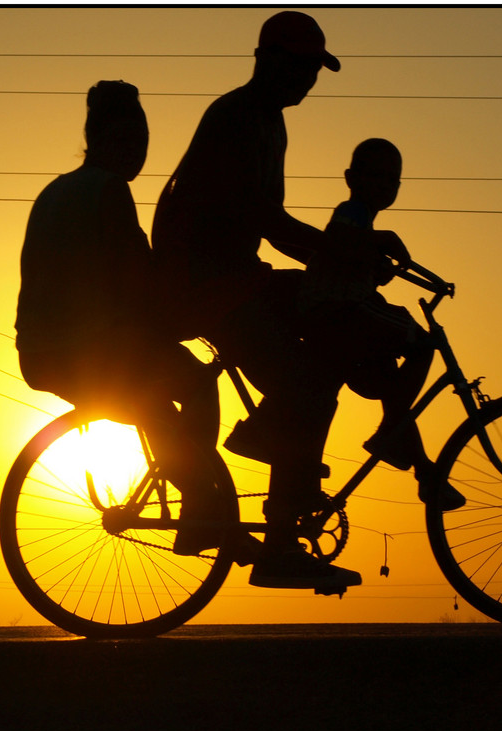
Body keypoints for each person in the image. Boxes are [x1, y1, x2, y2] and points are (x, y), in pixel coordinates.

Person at [151, 12, 364, 591]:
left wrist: (335, 258)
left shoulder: (270, 123)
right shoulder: (238, 117)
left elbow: (270, 224)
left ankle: (276, 443)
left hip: (235, 276)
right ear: (270, 60)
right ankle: (279, 545)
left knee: (331, 337)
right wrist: (337, 253)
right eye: (302, 68)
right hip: (204, 285)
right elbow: (264, 219)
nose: (309, 81)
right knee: (303, 387)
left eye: (315, 71)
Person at [14, 80, 252, 563]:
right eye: (124, 141)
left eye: (140, 143)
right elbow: (136, 279)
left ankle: (197, 505)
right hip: (90, 348)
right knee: (200, 381)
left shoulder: (55, 190)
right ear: (96, 140)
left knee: (155, 401)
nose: (135, 152)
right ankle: (201, 509)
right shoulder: (109, 190)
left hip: (42, 352)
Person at [301, 138, 465, 510]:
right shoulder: (352, 212)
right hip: (340, 311)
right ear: (351, 178)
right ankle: (394, 439)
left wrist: (378, 264)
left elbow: (355, 258)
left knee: (395, 392)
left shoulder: (360, 221)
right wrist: (382, 240)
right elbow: (340, 239)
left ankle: (425, 472)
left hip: (345, 315)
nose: (382, 185)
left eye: (390, 180)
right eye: (374, 175)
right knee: (423, 344)